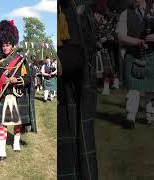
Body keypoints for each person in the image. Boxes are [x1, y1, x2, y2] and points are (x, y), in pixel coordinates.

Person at [58, 0, 99, 179]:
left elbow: (85, 48)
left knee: (72, 163)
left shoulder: (72, 7)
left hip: (72, 92)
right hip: (62, 91)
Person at [0, 20, 36, 162]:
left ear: (13, 45)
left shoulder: (20, 60)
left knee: (18, 122)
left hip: (17, 94)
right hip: (4, 95)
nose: (5, 48)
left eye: (7, 45)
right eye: (3, 45)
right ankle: (2, 151)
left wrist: (17, 80)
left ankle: (16, 142)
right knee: (2, 123)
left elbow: (28, 78)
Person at [117, 0, 154, 128]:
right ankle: (130, 117)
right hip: (134, 54)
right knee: (133, 89)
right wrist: (137, 42)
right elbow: (121, 36)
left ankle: (150, 116)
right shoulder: (126, 13)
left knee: (153, 88)